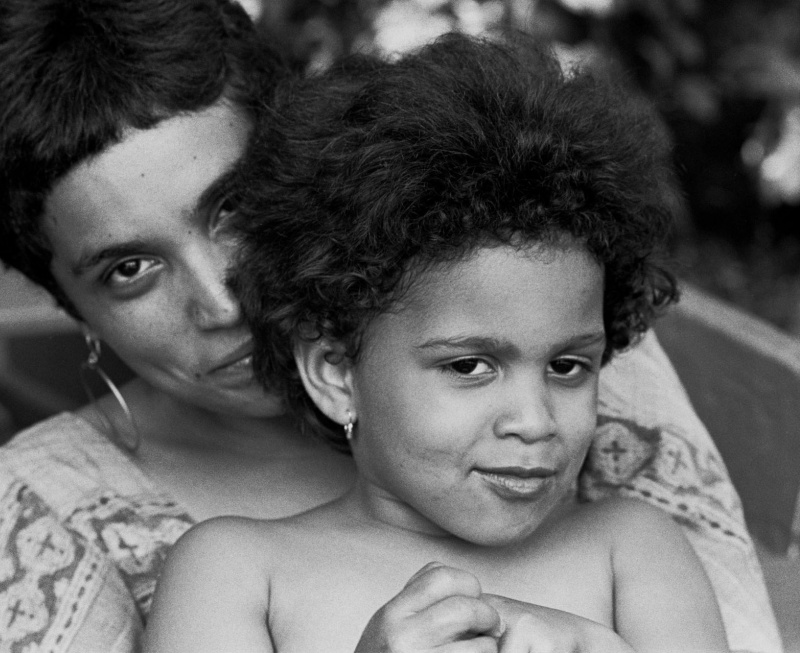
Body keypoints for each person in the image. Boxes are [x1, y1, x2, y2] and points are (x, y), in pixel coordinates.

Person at [0, 0, 780, 651]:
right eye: (129, 269)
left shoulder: (559, 360)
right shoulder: (183, 558)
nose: (224, 301)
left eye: (233, 210)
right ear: (67, 302)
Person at [142, 32, 729, 653]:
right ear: (335, 372)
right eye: (471, 365)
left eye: (566, 365)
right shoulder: (238, 573)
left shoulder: (631, 549)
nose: (535, 422)